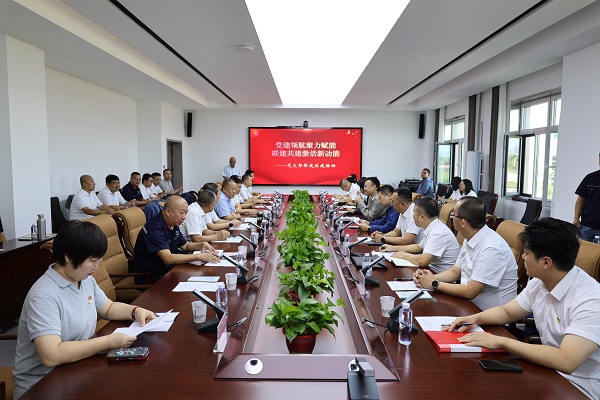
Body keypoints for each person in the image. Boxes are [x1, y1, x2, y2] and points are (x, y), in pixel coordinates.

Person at [447, 218, 600, 400]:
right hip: (547, 372)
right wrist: (475, 319)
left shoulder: (591, 299)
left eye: (526, 253)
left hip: (579, 387)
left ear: (546, 263)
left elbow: (566, 360)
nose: (523, 257)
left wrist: (501, 342)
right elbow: (507, 312)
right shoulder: (539, 282)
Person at [12, 220, 156, 399]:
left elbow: (108, 307)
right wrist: (108, 342)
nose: (97, 267)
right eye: (92, 261)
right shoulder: (43, 296)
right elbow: (51, 355)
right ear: (68, 257)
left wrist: (135, 311)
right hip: (43, 385)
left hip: (78, 369)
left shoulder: (84, 279)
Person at [413, 196, 517, 310]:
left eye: (453, 215)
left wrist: (434, 283)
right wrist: (426, 278)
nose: (451, 218)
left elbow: (470, 291)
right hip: (467, 305)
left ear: (463, 223)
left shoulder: (491, 248)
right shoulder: (471, 238)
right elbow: (454, 272)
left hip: (488, 313)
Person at [133, 196, 220, 283]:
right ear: (168, 212)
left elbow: (185, 246)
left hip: (169, 270)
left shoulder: (172, 223)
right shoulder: (154, 228)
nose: (184, 217)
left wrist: (201, 245)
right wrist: (199, 256)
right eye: (182, 213)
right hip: (152, 277)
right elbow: (168, 259)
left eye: (186, 213)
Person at [385, 196, 460, 273]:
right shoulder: (433, 226)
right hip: (430, 271)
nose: (412, 215)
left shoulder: (438, 233)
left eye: (414, 213)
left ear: (422, 217)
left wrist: (403, 255)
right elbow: (419, 247)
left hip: (438, 275)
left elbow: (423, 261)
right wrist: (393, 248)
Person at [574, 153, 600, 242]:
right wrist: (576, 218)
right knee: (583, 249)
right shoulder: (590, 178)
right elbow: (581, 199)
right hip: (587, 225)